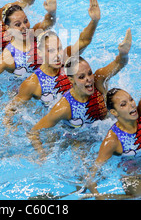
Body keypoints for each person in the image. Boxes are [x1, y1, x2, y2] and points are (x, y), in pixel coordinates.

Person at [28, 29, 132, 160]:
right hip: (79, 138)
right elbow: (34, 131)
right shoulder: (64, 107)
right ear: (71, 80)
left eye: (89, 73)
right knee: (81, 157)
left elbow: (119, 64)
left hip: (108, 129)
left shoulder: (98, 80)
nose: (89, 79)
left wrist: (123, 54)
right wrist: (41, 154)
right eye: (81, 77)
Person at [3, 0, 102, 129]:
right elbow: (11, 109)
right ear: (40, 53)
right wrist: (8, 130)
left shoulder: (67, 60)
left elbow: (84, 41)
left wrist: (94, 21)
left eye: (59, 49)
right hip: (58, 126)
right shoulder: (33, 83)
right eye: (51, 51)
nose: (57, 55)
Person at [86, 36, 141, 199]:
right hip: (131, 169)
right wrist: (97, 195)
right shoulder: (112, 141)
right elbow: (94, 172)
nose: (131, 105)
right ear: (114, 113)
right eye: (123, 105)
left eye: (130, 100)